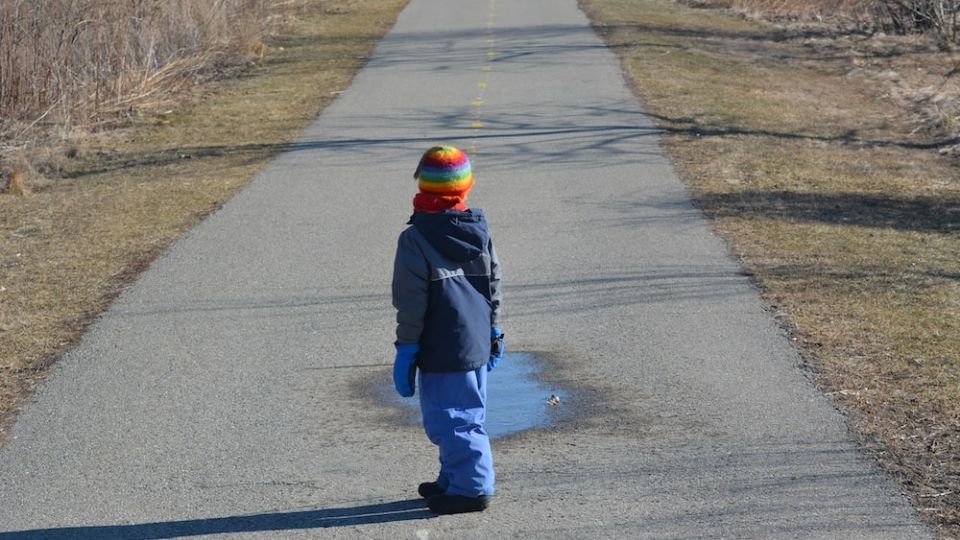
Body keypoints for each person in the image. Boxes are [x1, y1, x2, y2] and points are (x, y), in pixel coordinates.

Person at [391, 145, 505, 514]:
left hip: (441, 343)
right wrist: (493, 329)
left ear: (423, 186)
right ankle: (453, 477)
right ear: (465, 188)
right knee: (463, 412)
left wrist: (407, 347)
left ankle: (472, 488)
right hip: (474, 338)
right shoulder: (478, 230)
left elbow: (411, 301)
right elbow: (494, 283)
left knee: (452, 418)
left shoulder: (415, 239)